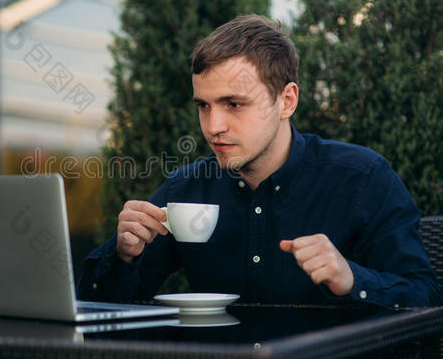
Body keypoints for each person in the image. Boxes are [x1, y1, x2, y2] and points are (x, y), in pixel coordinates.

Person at [78, 15, 442, 307]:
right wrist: (124, 255)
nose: (213, 126)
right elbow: (101, 310)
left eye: (234, 104)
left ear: (286, 101)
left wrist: (352, 280)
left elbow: (424, 295)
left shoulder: (362, 179)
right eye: (204, 106)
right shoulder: (186, 188)